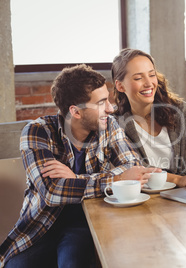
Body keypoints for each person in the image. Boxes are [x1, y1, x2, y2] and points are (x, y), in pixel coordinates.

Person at [0, 64, 157, 268]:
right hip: (38, 227)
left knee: (73, 263)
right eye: (101, 103)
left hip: (84, 223)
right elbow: (52, 191)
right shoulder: (37, 131)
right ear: (75, 112)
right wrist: (116, 179)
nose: (111, 108)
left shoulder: (108, 125)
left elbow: (133, 167)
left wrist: (74, 179)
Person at [112, 48, 186, 188]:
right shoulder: (115, 123)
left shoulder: (181, 111)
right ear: (120, 86)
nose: (148, 83)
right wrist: (177, 179)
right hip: (140, 196)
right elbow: (136, 168)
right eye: (138, 78)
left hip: (179, 194)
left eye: (152, 75)